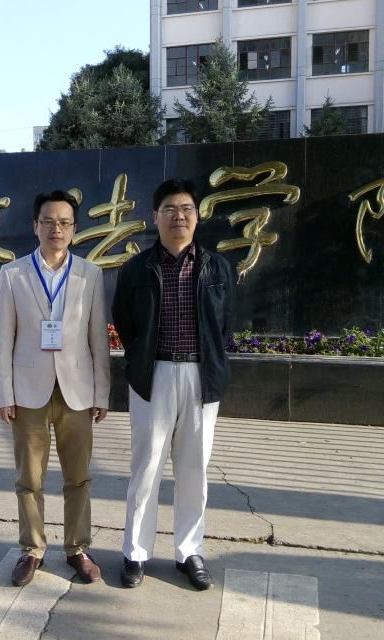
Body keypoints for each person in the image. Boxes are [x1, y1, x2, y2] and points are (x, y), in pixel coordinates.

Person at [111, 177, 236, 590]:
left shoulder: (217, 267)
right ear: (155, 216)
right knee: (146, 467)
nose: (178, 216)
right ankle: (136, 553)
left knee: (194, 468)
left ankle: (189, 551)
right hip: (154, 375)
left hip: (201, 377)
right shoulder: (137, 268)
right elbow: (124, 321)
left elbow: (224, 324)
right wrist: (142, 359)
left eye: (186, 209)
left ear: (197, 216)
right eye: (169, 209)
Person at [0, 189, 111, 586]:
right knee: (29, 478)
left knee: (78, 477)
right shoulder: (13, 274)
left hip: (77, 390)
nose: (55, 228)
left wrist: (101, 392)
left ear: (74, 229)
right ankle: (32, 549)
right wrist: (4, 394)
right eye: (48, 221)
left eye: (63, 222)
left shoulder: (90, 275)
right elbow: (2, 340)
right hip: (28, 390)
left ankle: (78, 548)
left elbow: (98, 339)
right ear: (35, 226)